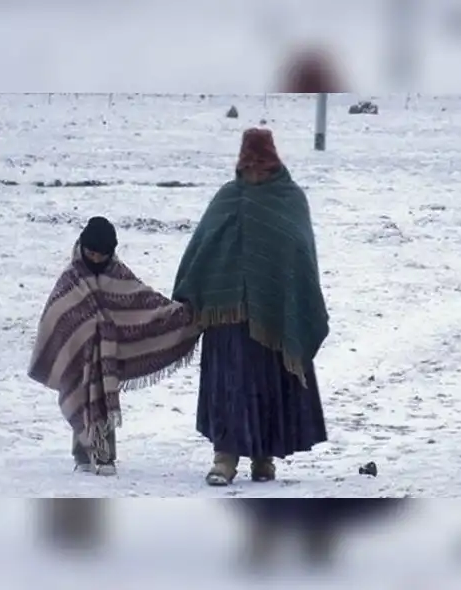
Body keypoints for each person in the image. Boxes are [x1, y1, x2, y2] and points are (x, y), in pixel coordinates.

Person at [172, 128, 330, 486]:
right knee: (230, 386)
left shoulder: (290, 200)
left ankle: (264, 458)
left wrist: (290, 298)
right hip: (228, 316)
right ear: (240, 165)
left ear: (274, 164)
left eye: (262, 164)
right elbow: (203, 246)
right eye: (249, 164)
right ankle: (224, 458)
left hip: (273, 317)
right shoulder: (227, 198)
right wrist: (190, 292)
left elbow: (299, 253)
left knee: (268, 386)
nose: (255, 171)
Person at [29, 217, 201, 476]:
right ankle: (84, 454)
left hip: (107, 354)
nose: (96, 259)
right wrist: (84, 331)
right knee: (81, 390)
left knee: (102, 393)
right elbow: (56, 315)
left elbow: (144, 303)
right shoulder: (70, 278)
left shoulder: (118, 274)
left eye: (102, 254)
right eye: (91, 253)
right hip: (80, 352)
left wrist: (182, 316)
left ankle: (105, 455)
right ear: (83, 247)